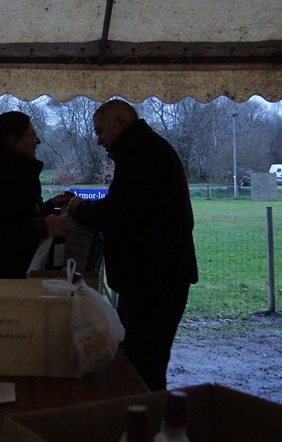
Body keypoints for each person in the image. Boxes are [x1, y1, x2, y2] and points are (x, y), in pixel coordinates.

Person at [67, 99, 198, 391]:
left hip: (154, 279)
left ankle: (147, 426)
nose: (99, 139)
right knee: (142, 360)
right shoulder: (145, 149)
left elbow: (120, 211)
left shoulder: (141, 152)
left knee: (141, 365)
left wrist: (79, 209)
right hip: (155, 276)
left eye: (101, 130)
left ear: (119, 121)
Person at [0, 111, 71, 279]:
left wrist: (48, 206)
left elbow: (17, 216)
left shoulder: (15, 175)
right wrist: (44, 227)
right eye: (32, 135)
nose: (38, 141)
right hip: (6, 287)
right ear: (14, 140)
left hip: (18, 281)